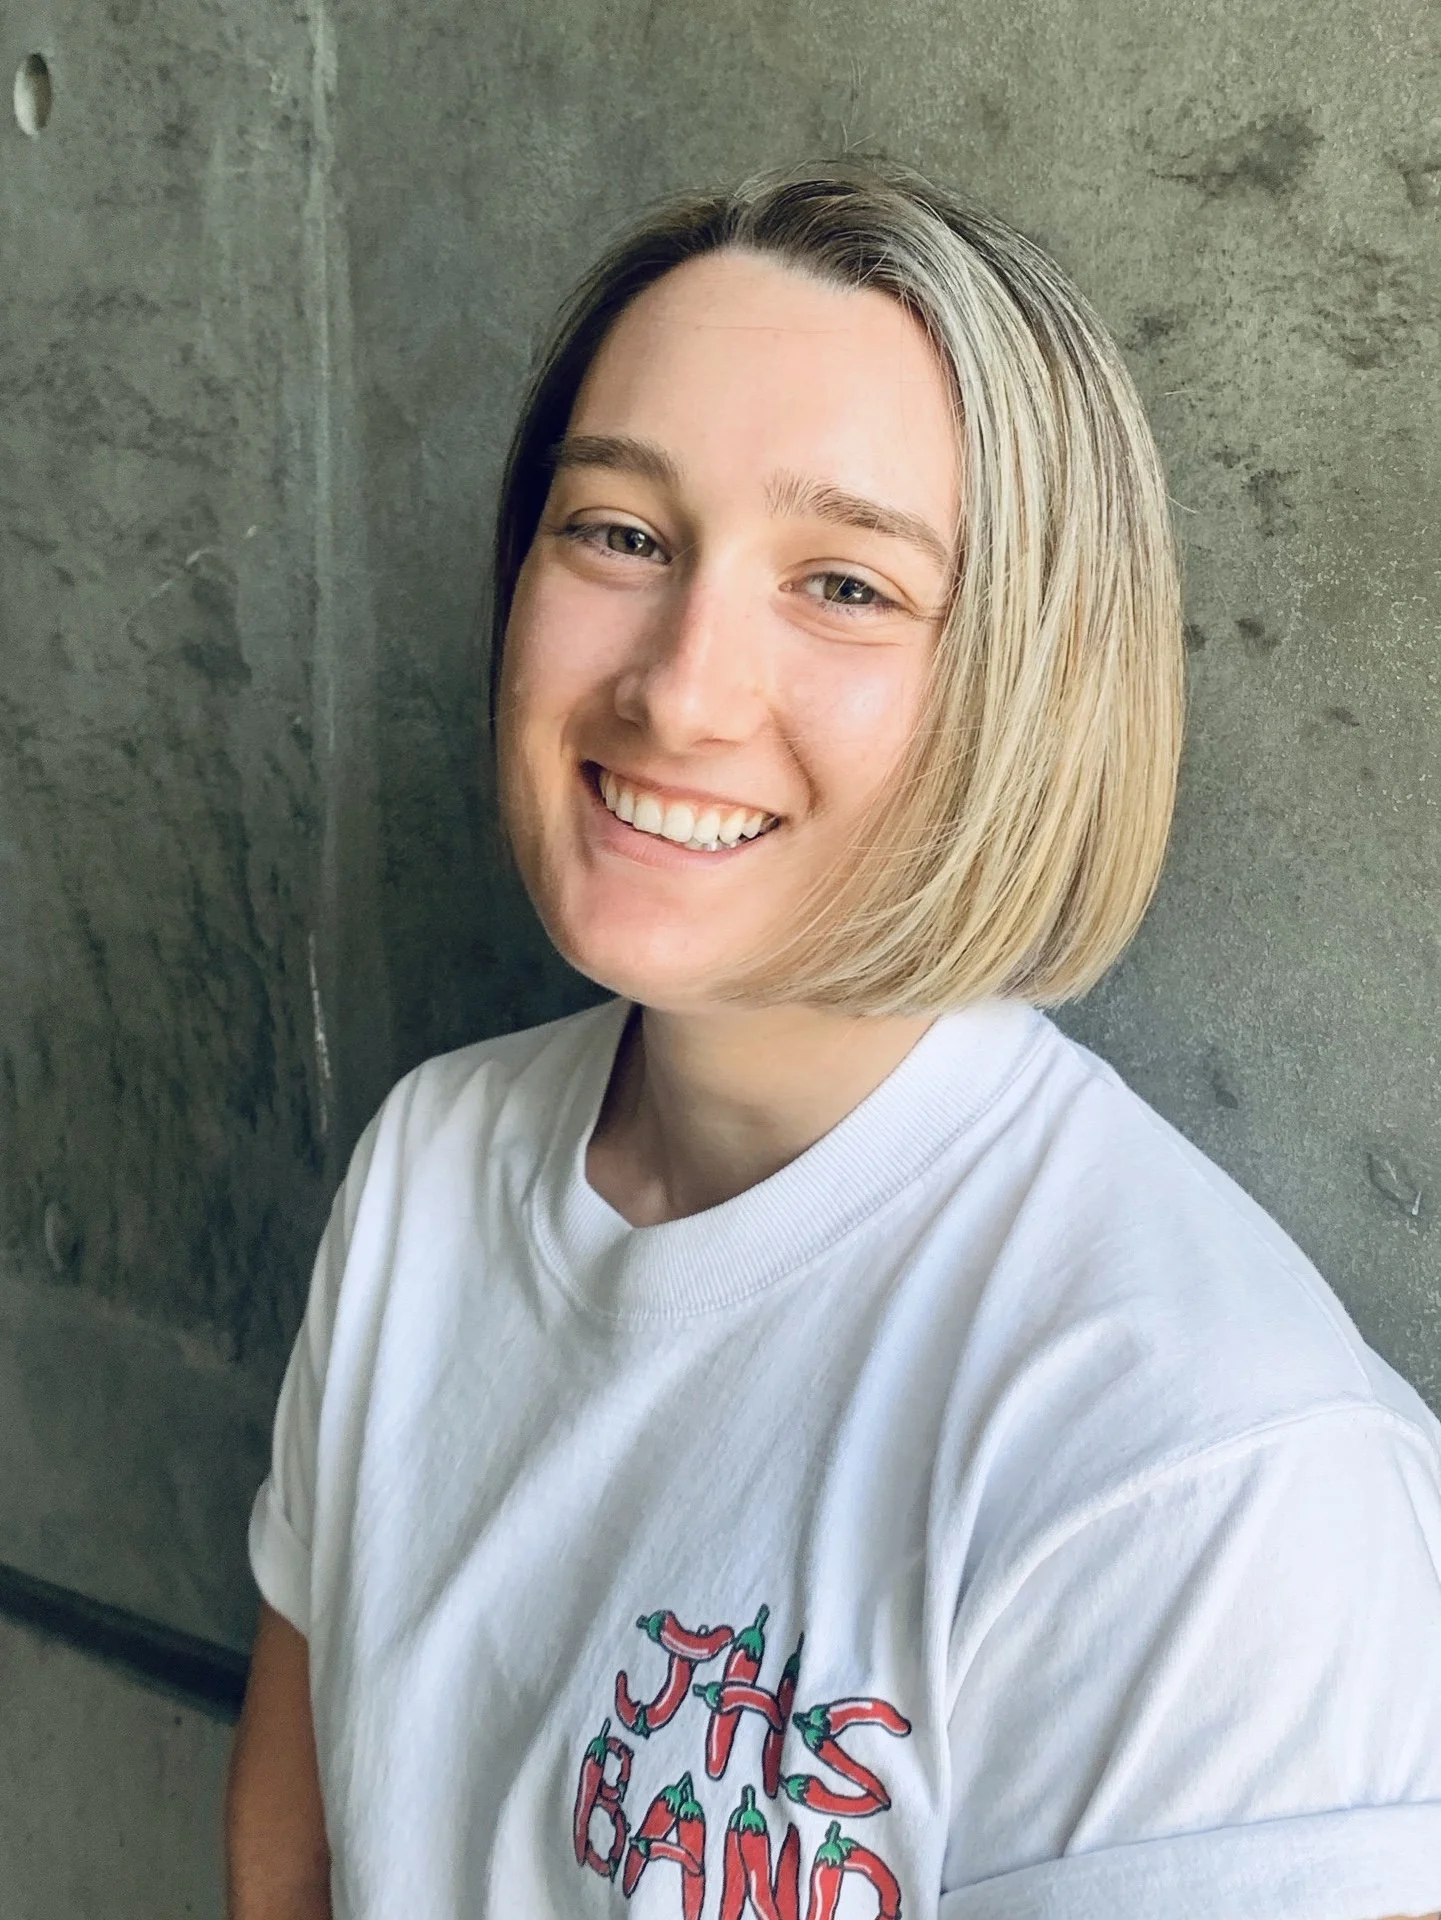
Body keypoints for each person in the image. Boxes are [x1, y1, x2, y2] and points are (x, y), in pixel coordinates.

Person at [224, 160, 1441, 1920]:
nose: (679, 687)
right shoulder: (430, 1161)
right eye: (622, 535)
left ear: (1031, 689)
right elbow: (296, 1858)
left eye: (849, 585)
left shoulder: (1219, 1477)